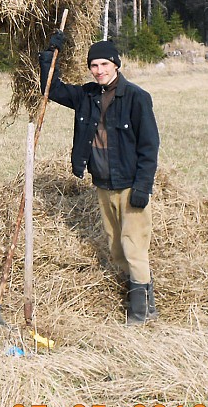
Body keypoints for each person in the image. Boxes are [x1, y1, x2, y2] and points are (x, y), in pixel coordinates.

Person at [40, 33, 160, 324]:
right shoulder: (87, 95)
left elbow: (149, 146)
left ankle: (140, 313)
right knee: (116, 247)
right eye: (94, 65)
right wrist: (49, 56)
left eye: (104, 63)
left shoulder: (136, 98)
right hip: (103, 185)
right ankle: (143, 300)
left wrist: (143, 187)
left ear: (116, 64)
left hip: (130, 185)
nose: (99, 70)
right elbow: (50, 89)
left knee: (133, 246)